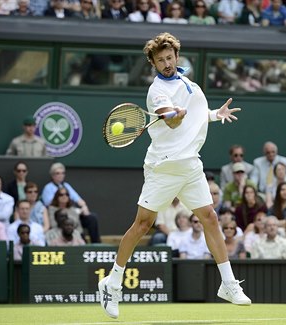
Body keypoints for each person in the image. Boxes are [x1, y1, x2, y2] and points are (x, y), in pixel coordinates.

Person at [98, 32, 251, 320]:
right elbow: (172, 121)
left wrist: (215, 114)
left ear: (177, 57)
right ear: (153, 64)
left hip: (191, 165)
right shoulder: (157, 91)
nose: (166, 63)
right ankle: (112, 283)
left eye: (170, 58)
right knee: (143, 225)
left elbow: (194, 116)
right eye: (160, 60)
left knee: (210, 217)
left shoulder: (188, 83)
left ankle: (228, 284)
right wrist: (175, 114)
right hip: (164, 167)